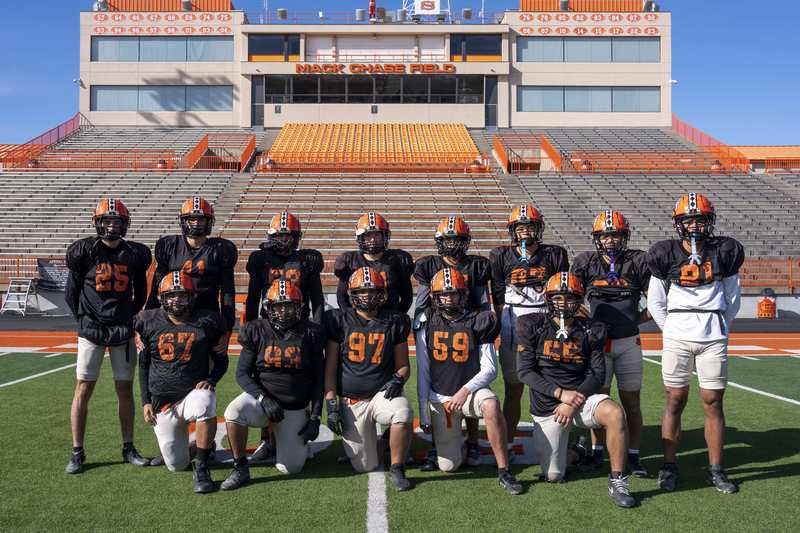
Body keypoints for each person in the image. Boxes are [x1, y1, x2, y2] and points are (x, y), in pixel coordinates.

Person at [647, 193, 744, 494]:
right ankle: (669, 465)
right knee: (675, 399)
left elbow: (732, 299)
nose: (693, 225)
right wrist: (672, 329)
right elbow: (655, 301)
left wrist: (717, 325)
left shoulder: (724, 251)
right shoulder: (666, 253)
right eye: (688, 219)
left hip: (712, 334)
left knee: (713, 401)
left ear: (709, 222)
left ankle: (716, 468)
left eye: (699, 219)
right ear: (678, 223)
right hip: (677, 333)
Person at [516, 272, 637, 508]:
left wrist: (572, 400)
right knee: (553, 475)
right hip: (548, 405)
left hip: (580, 400)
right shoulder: (532, 325)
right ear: (548, 299)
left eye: (570, 298)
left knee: (615, 413)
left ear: (579, 300)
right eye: (558, 298)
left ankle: (618, 479)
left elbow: (597, 374)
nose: (564, 303)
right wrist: (559, 394)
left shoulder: (592, 329)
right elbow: (525, 372)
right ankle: (577, 452)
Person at [64, 198, 152, 474]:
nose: (112, 226)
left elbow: (141, 292)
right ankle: (77, 451)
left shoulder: (134, 254)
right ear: (98, 223)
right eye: (107, 221)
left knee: (124, 389)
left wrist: (129, 318)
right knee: (83, 389)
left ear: (125, 225)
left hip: (122, 330)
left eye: (117, 221)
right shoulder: (85, 251)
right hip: (91, 330)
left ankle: (128, 447)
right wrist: (84, 320)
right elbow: (72, 292)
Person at [416, 268, 522, 495]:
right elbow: (423, 371)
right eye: (443, 294)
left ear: (463, 295)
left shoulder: (479, 320)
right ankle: (462, 444)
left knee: (491, 404)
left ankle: (504, 469)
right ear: (434, 297)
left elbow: (490, 369)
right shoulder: (427, 322)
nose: (448, 298)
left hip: (469, 394)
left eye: (453, 293)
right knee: (449, 466)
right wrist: (424, 412)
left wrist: (464, 392)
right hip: (441, 398)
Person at [221, 280, 325, 489]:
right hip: (263, 400)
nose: (284, 311)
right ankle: (240, 467)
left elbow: (319, 378)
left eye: (289, 306)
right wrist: (263, 398)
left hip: (294, 405)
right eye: (278, 306)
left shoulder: (311, 332)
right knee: (233, 411)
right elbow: (242, 374)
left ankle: (281, 440)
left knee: (291, 468)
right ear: (269, 308)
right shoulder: (256, 329)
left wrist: (314, 416)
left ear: (299, 308)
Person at [571, 210, 651, 476]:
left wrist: (634, 322)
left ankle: (634, 454)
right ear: (597, 238)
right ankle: (596, 451)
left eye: (615, 235)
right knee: (599, 400)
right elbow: (572, 298)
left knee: (632, 402)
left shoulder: (638, 261)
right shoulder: (587, 263)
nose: (611, 240)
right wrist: (592, 324)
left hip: (628, 340)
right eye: (606, 235)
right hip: (598, 343)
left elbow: (658, 300)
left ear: (624, 236)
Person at [136, 271, 229, 493]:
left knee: (205, 400)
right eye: (171, 295)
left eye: (183, 295)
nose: (177, 300)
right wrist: (145, 401)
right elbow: (143, 365)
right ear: (162, 298)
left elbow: (221, 360)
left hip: (191, 395)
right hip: (162, 402)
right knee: (176, 465)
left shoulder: (207, 321)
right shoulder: (148, 321)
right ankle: (200, 447)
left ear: (192, 297)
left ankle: (203, 466)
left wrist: (211, 379)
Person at [244, 211, 324, 463]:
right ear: (270, 236)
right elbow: (253, 294)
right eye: (280, 235)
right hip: (267, 325)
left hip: (300, 326)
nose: (285, 240)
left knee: (305, 374)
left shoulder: (307, 260)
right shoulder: (261, 259)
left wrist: (318, 329)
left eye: (289, 236)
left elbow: (317, 297)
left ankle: (303, 423)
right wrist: (249, 325)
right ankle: (266, 440)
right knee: (264, 376)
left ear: (298, 238)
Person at [324, 267, 414, 491]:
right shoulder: (338, 320)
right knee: (365, 465)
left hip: (381, 393)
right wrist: (331, 403)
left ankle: (397, 467)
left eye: (372, 291)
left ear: (382, 294)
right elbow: (330, 367)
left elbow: (403, 366)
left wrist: (398, 380)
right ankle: (382, 443)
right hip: (351, 400)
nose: (367, 296)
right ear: (352, 295)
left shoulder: (395, 320)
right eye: (362, 292)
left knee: (402, 412)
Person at [413, 216, 491, 471]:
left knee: (470, 379)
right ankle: (439, 442)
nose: (453, 245)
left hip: (468, 327)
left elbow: (482, 301)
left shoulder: (476, 266)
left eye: (457, 240)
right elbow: (423, 301)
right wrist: (421, 324)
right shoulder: (429, 265)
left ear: (466, 241)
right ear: (439, 242)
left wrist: (482, 323)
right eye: (448, 240)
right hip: (439, 326)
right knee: (438, 378)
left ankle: (474, 441)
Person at [489, 205, 568, 458]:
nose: (525, 231)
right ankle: (509, 443)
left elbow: (561, 293)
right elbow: (499, 296)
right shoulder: (500, 255)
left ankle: (555, 442)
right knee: (513, 389)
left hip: (545, 322)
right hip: (514, 322)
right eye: (520, 227)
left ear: (539, 228)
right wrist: (505, 328)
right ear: (512, 231)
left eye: (530, 226)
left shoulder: (554, 254)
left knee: (549, 385)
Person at [333, 212, 414, 314]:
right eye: (368, 235)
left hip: (389, 320)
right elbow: (342, 298)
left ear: (385, 236)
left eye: (377, 235)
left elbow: (407, 297)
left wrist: (397, 318)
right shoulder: (349, 261)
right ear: (360, 237)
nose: (372, 239)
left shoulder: (397, 260)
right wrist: (351, 320)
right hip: (358, 321)